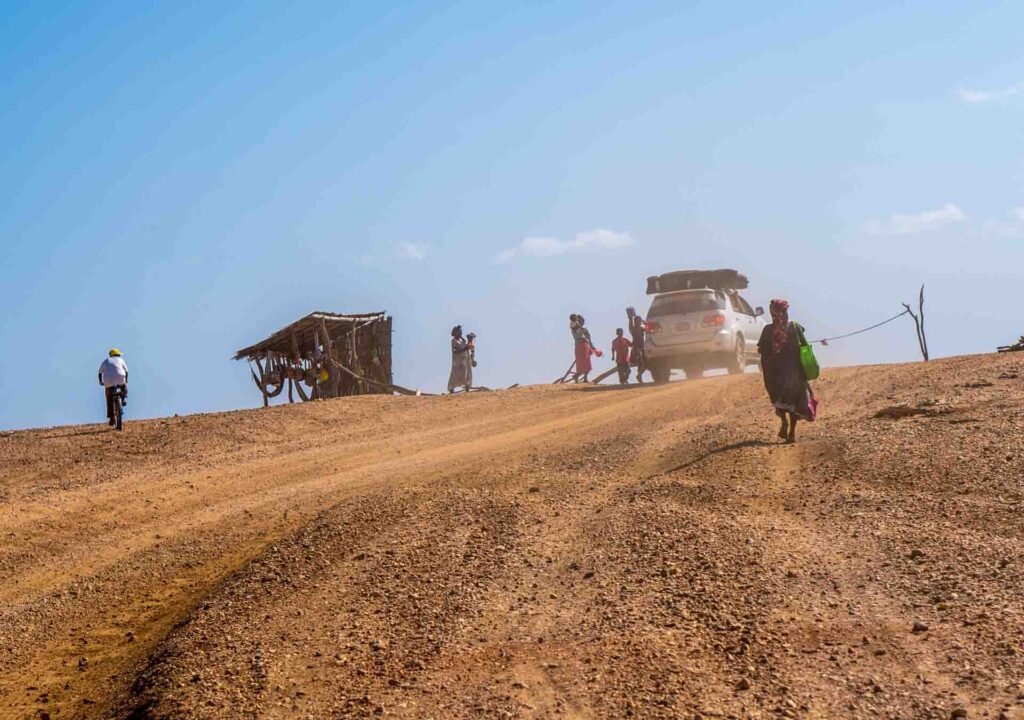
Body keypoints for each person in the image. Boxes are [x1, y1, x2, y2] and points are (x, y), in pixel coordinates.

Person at [757, 300, 813, 443]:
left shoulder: (768, 330)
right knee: (794, 401)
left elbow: (761, 350)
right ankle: (792, 433)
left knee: (779, 399)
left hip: (776, 374)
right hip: (794, 373)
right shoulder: (794, 327)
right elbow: (804, 342)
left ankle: (784, 421)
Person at [98, 348, 128, 426]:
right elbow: (126, 371)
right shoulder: (121, 360)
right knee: (124, 385)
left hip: (108, 381)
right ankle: (124, 397)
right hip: (120, 378)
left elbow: (100, 373)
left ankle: (112, 418)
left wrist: (101, 381)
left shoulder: (106, 361)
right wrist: (126, 380)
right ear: (118, 355)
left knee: (109, 398)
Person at [448, 325, 473, 393]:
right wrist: (465, 348)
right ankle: (451, 390)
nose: (461, 333)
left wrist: (470, 340)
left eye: (461, 332)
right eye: (459, 332)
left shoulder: (462, 340)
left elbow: (469, 347)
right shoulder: (454, 341)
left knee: (467, 374)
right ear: (455, 333)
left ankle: (467, 389)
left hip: (465, 361)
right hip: (457, 362)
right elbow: (455, 350)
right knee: (455, 375)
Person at [626, 306, 648, 383]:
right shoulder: (634, 329)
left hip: (641, 348)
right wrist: (630, 318)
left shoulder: (641, 328)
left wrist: (644, 322)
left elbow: (647, 327)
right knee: (641, 363)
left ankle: (639, 375)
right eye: (638, 320)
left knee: (644, 364)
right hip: (637, 348)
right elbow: (631, 326)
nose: (639, 321)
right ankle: (638, 376)